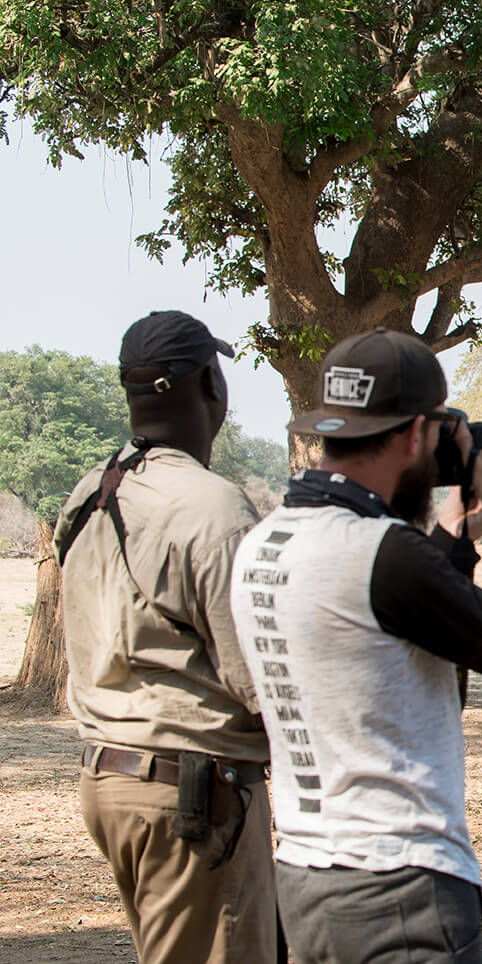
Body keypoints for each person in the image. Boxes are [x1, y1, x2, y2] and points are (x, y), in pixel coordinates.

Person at [231, 328, 482, 962]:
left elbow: (423, 659)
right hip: (399, 890)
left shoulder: (266, 541)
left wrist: (457, 538)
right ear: (417, 434)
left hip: (306, 877)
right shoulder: (378, 553)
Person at [56, 310, 275, 963]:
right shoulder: (213, 506)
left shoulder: (92, 493)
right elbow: (255, 677)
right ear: (212, 383)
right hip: (193, 792)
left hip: (112, 781)